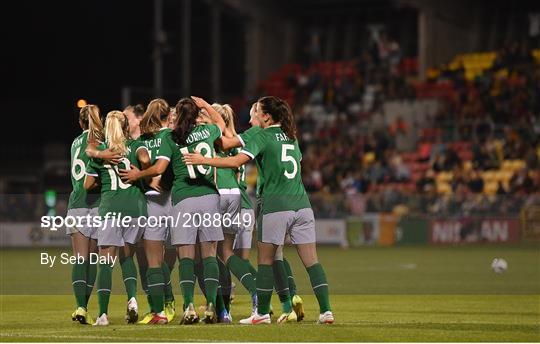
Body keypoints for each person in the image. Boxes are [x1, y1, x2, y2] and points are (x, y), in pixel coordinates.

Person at [183, 96, 334, 324]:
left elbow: (232, 157)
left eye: (256, 110)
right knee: (312, 261)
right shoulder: (292, 137)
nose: (251, 115)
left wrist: (203, 159)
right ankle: (326, 311)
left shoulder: (261, 135)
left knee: (265, 260)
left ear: (266, 116)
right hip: (302, 205)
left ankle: (262, 313)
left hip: (275, 205)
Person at [120, 96, 227, 324]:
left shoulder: (172, 137)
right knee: (209, 257)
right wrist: (206, 105)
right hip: (208, 197)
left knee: (184, 257)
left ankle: (186, 307)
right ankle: (211, 306)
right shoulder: (208, 131)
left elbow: (159, 167)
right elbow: (222, 124)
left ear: (177, 115)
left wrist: (138, 174)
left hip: (182, 199)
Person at [83, 110, 151, 325]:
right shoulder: (135, 146)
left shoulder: (101, 151)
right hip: (135, 208)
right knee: (127, 257)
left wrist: (101, 175)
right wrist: (140, 170)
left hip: (111, 207)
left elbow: (87, 184)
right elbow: (146, 160)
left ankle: (102, 314)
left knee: (106, 262)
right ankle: (132, 299)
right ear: (124, 127)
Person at [135, 99, 177, 324]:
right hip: (176, 202)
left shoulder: (140, 141)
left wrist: (142, 176)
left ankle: (159, 310)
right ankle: (208, 308)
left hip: (151, 204)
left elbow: (139, 165)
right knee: (191, 258)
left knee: (152, 260)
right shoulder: (172, 137)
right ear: (166, 116)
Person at [67, 104, 108, 324]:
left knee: (79, 259)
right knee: (92, 260)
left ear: (80, 122)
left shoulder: (74, 143)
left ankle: (80, 307)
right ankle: (85, 306)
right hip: (98, 204)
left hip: (76, 204)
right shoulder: (101, 143)